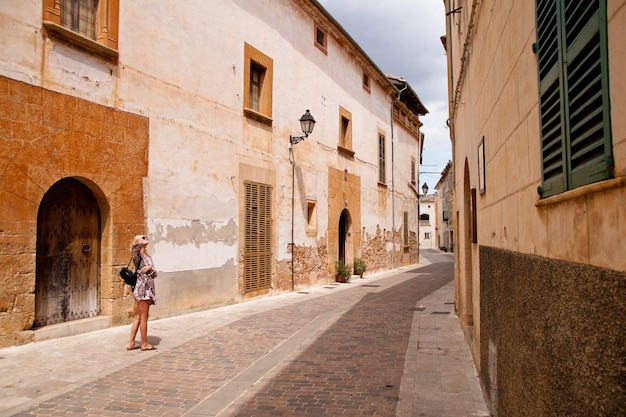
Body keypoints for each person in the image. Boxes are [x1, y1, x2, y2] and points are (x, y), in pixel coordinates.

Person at [127, 235, 158, 351]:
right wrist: (138, 243)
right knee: (144, 317)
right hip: (142, 289)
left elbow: (155, 274)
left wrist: (150, 268)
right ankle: (144, 344)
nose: (146, 238)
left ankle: (131, 343)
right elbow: (134, 252)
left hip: (148, 289)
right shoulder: (138, 257)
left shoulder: (148, 257)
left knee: (139, 317)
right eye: (143, 237)